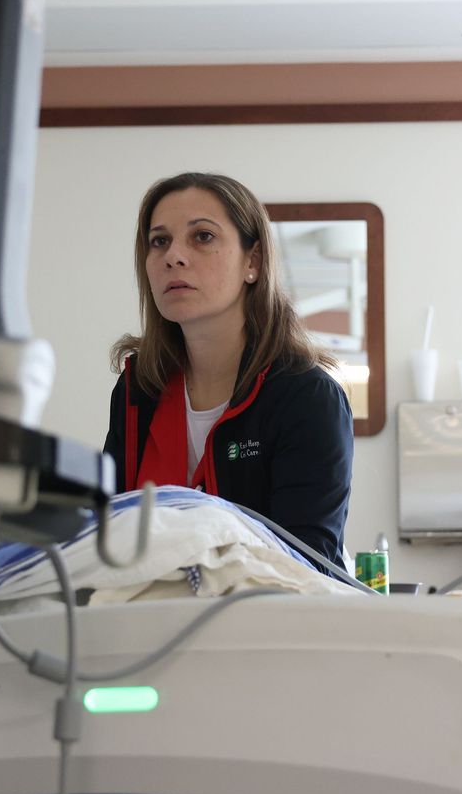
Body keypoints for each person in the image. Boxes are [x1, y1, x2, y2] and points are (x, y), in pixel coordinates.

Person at [104, 172, 353, 571]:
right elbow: (107, 537)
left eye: (202, 236)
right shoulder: (138, 389)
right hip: (149, 623)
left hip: (269, 627)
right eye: (159, 241)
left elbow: (307, 564)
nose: (174, 256)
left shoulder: (307, 396)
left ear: (252, 262)